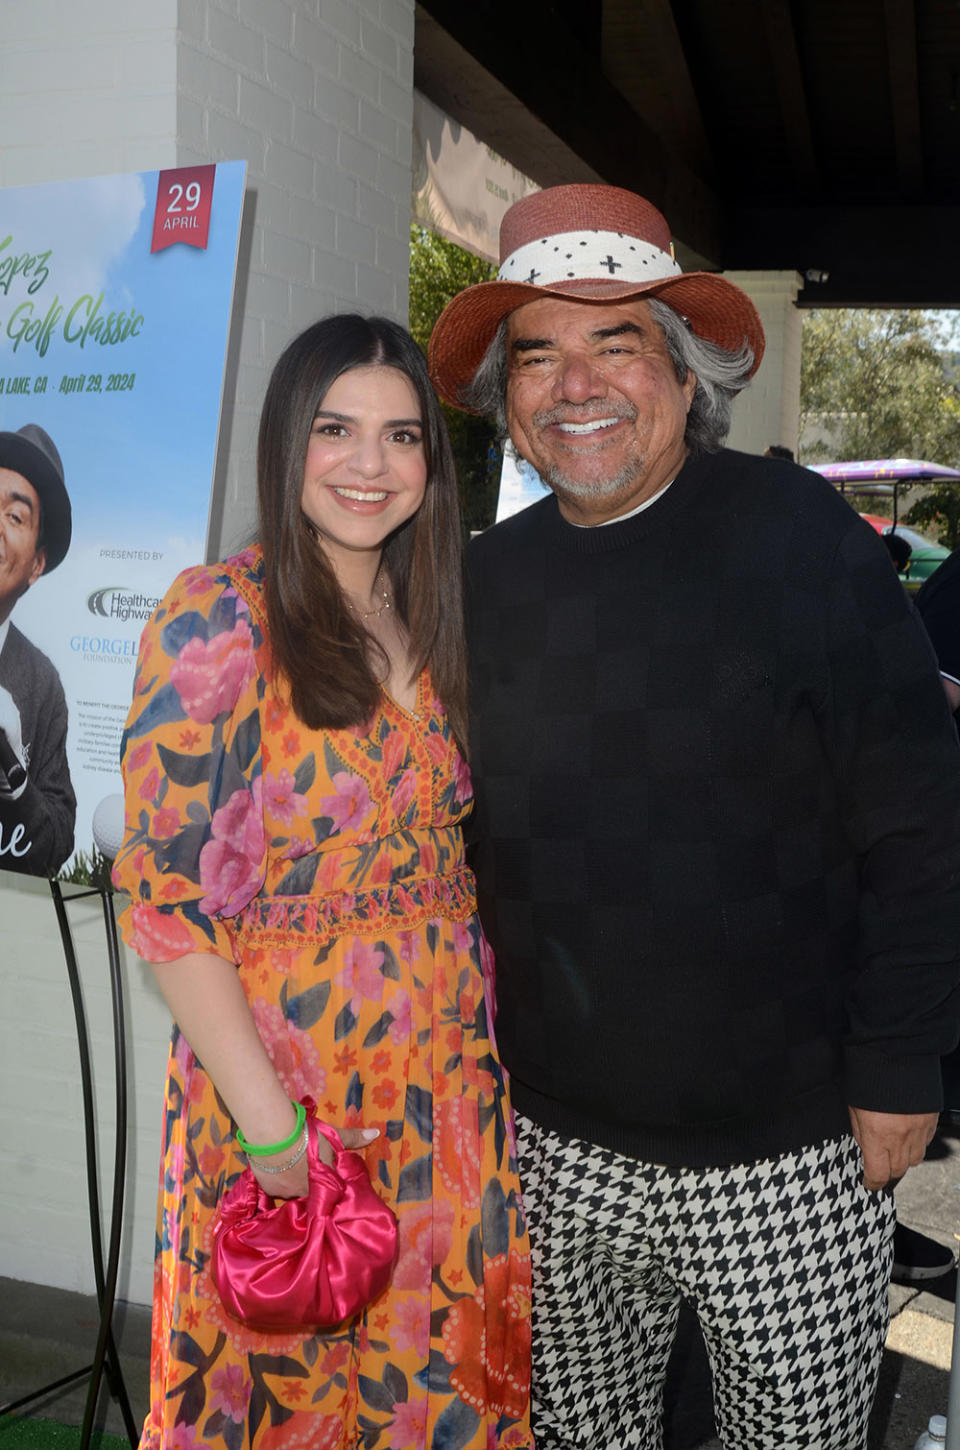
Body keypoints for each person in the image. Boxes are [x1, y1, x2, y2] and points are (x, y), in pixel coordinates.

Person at [428, 184, 960, 1449]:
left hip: (792, 1149)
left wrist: (900, 1065)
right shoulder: (477, 582)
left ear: (681, 371)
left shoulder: (802, 538)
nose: (576, 385)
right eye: (539, 355)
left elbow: (921, 818)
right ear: (509, 398)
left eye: (615, 341)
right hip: (555, 1148)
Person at [112, 315, 532, 1450]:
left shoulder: (434, 615)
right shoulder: (219, 616)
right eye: (336, 429)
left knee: (434, 1391)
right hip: (291, 1090)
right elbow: (164, 903)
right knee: (290, 1406)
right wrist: (269, 1131)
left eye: (402, 438)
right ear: (287, 439)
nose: (369, 464)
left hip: (444, 1089)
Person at [0, 423, 76, 876]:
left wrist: (16, 779)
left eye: (15, 517)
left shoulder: (42, 685)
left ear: (37, 564)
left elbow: (57, 841)